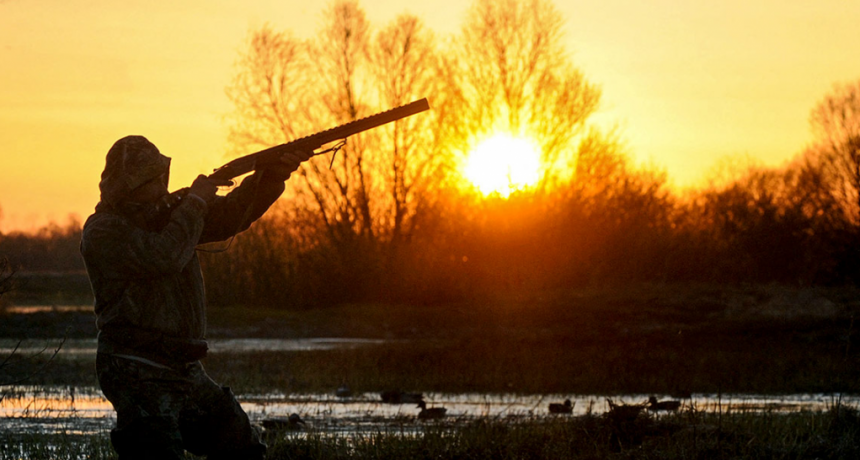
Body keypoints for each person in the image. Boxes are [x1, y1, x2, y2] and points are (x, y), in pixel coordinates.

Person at [80, 135, 311, 459]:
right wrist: (196, 203)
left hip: (183, 365)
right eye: (150, 180)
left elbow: (232, 214)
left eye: (161, 177)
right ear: (125, 185)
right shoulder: (103, 232)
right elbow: (164, 255)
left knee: (239, 442)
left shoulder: (171, 215)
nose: (160, 186)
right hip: (134, 367)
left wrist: (272, 175)